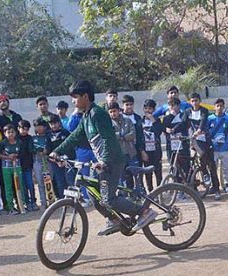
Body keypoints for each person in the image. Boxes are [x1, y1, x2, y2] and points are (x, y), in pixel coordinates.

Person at [51, 80, 157, 235]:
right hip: (101, 162)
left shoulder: (97, 113)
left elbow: (108, 138)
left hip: (112, 161)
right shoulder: (86, 116)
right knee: (93, 195)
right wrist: (57, 151)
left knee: (108, 199)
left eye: (75, 97)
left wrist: (104, 161)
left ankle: (144, 211)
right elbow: (74, 137)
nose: (73, 101)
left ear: (85, 96)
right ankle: (113, 219)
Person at [185, 92, 220, 198]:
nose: (194, 103)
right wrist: (172, 129)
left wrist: (200, 130)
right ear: (190, 102)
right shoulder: (187, 112)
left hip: (206, 139)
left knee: (212, 165)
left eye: (196, 100)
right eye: (192, 101)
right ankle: (203, 174)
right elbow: (183, 123)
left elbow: (203, 121)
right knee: (201, 155)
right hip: (195, 140)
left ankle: (216, 189)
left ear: (199, 101)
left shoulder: (204, 110)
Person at [0, 124, 25, 215]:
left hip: (17, 167)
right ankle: (10, 207)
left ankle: (21, 205)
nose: (11, 134)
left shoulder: (19, 142)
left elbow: (22, 154)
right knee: (8, 187)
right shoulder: (2, 143)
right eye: (8, 132)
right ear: (5, 133)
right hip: (6, 168)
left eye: (12, 132)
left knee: (19, 186)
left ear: (15, 133)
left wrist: (15, 156)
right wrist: (8, 157)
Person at [108, 102, 138, 188]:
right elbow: (111, 136)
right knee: (121, 177)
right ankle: (123, 196)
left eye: (114, 111)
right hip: (117, 155)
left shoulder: (127, 120)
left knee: (134, 174)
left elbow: (133, 134)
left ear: (119, 111)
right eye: (111, 112)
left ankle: (135, 195)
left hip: (130, 153)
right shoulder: (108, 124)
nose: (113, 113)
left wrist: (121, 137)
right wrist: (122, 135)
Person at [208, 98, 228, 194]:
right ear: (214, 107)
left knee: (226, 167)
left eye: (221, 106)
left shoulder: (227, 119)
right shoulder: (210, 119)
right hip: (213, 149)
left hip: (225, 148)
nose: (219, 108)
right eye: (217, 106)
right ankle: (214, 185)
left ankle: (227, 184)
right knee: (213, 168)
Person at [140, 99, 164, 191]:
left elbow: (159, 132)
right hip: (146, 152)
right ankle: (150, 192)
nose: (147, 110)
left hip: (156, 151)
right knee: (148, 174)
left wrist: (153, 120)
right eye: (145, 108)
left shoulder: (157, 121)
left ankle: (160, 192)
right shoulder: (140, 122)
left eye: (150, 108)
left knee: (158, 172)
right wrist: (142, 151)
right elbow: (138, 138)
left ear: (154, 110)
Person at [30, 119, 52, 210]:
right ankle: (43, 202)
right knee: (40, 183)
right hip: (37, 162)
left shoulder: (48, 137)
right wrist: (37, 151)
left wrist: (47, 151)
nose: (38, 128)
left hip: (47, 161)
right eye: (36, 126)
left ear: (45, 127)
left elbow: (50, 147)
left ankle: (51, 201)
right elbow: (30, 149)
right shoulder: (33, 138)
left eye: (40, 126)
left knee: (49, 181)